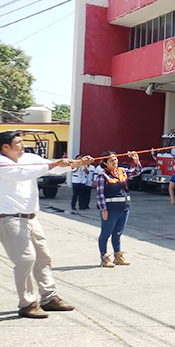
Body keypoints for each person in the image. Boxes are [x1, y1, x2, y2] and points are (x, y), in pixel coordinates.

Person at [0, 130, 91, 318]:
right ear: (5, 147)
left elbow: (52, 167)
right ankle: (27, 303)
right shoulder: (2, 163)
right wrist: (52, 164)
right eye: (19, 142)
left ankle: (49, 297)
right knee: (25, 259)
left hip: (31, 217)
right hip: (10, 218)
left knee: (43, 257)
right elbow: (23, 173)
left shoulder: (29, 158)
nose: (23, 145)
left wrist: (75, 164)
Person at [96, 150, 142, 268]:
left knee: (117, 233)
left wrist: (136, 162)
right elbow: (100, 194)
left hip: (124, 208)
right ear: (105, 163)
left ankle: (118, 257)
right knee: (105, 234)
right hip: (111, 210)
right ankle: (104, 258)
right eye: (112, 160)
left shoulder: (122, 171)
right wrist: (103, 210)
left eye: (116, 159)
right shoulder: (102, 176)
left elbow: (136, 172)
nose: (115, 162)